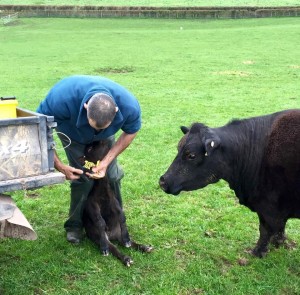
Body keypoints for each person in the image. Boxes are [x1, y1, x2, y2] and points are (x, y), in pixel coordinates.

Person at [37, 75, 141, 244]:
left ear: (115, 111)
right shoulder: (61, 98)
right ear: (85, 107)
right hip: (73, 135)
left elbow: (131, 131)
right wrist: (59, 165)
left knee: (113, 176)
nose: (96, 131)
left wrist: (106, 162)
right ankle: (74, 226)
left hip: (105, 139)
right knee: (82, 179)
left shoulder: (128, 105)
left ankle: (115, 221)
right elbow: (39, 129)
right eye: (93, 125)